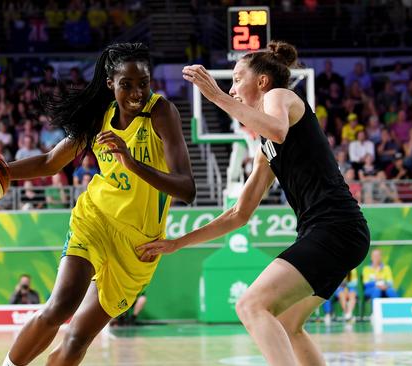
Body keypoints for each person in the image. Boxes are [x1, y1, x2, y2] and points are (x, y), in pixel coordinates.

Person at [139, 41, 369, 366]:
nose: (232, 89)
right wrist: (178, 243)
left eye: (236, 79)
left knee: (250, 305)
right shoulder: (265, 148)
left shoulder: (279, 96)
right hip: (336, 234)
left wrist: (215, 95)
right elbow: (238, 214)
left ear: (261, 82)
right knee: (288, 325)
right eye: (229, 83)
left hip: (335, 228)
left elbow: (277, 129)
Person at [0, 43, 195, 366]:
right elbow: (49, 162)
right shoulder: (100, 117)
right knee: (60, 306)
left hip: (140, 244)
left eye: (143, 82)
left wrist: (130, 161)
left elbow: (187, 189)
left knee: (77, 340)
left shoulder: (161, 112)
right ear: (110, 83)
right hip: (96, 220)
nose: (137, 92)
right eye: (126, 84)